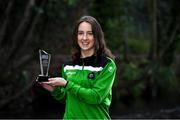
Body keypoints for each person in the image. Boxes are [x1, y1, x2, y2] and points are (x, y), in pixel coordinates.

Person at [39, 15, 117, 119]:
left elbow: (96, 97)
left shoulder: (107, 65)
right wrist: (54, 90)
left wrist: (67, 84)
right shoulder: (67, 66)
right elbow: (69, 98)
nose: (84, 38)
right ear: (76, 36)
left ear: (96, 36)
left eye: (90, 33)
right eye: (80, 33)